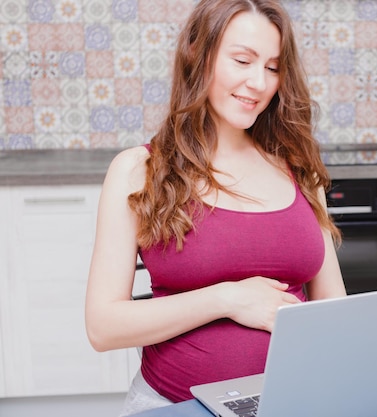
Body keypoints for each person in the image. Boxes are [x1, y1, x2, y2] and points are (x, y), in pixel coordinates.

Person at [84, 0, 346, 415]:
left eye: (273, 67)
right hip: (174, 406)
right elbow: (102, 327)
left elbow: (333, 306)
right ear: (199, 56)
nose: (258, 82)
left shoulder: (296, 165)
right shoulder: (139, 170)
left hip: (297, 401)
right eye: (242, 60)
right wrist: (226, 298)